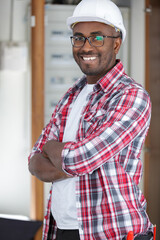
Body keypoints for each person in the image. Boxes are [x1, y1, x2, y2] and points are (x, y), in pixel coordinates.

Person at [28, 0, 154, 239]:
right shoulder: (71, 96)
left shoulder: (131, 96)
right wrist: (74, 158)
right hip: (62, 230)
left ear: (116, 43)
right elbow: (34, 161)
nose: (86, 46)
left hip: (112, 232)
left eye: (97, 38)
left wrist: (53, 149)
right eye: (79, 37)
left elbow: (82, 159)